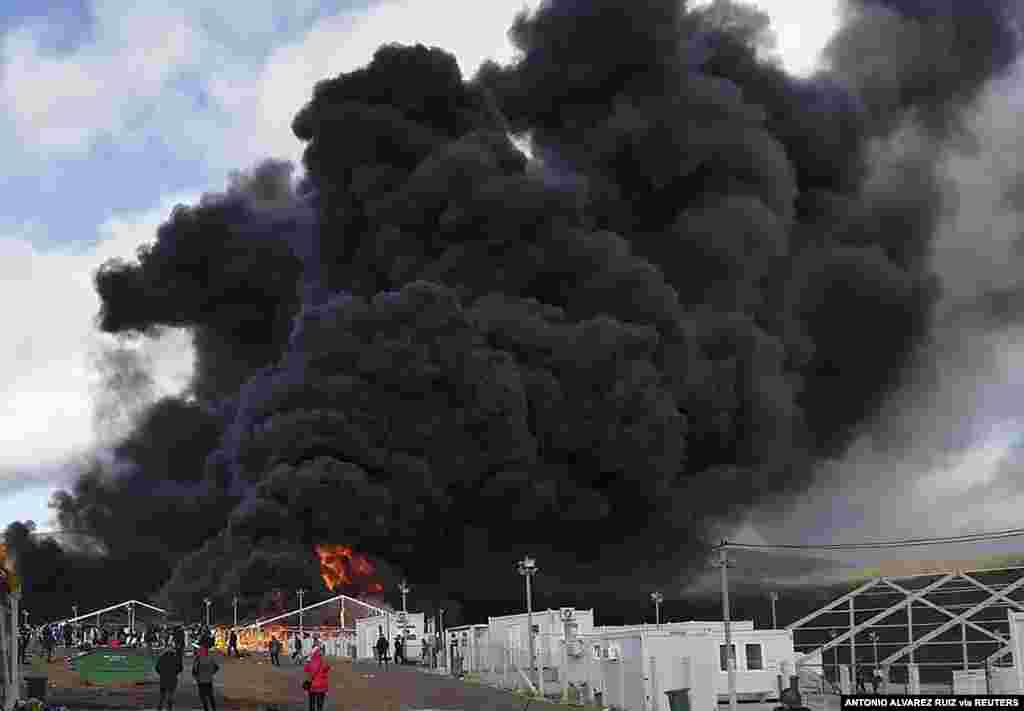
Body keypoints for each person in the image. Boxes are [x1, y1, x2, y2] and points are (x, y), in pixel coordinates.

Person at [192, 645, 220, 711]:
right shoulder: (210, 658)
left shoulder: (198, 659)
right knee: (210, 696)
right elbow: (216, 667)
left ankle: (206, 709)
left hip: (201, 680)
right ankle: (214, 709)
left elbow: (194, 670)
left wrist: (196, 677)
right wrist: (211, 673)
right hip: (209, 679)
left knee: (203, 696)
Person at [303, 644, 330, 711]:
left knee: (311, 702)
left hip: (312, 684)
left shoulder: (309, 661)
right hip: (322, 685)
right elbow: (327, 668)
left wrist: (308, 660)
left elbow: (306, 669)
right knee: (320, 703)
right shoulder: (323, 661)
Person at [156, 646, 183, 711]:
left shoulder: (161, 658)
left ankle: (160, 706)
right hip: (172, 678)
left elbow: (157, 668)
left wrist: (161, 673)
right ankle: (169, 707)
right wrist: (175, 672)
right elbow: (180, 668)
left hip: (163, 678)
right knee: (171, 694)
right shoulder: (176, 658)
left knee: (162, 695)